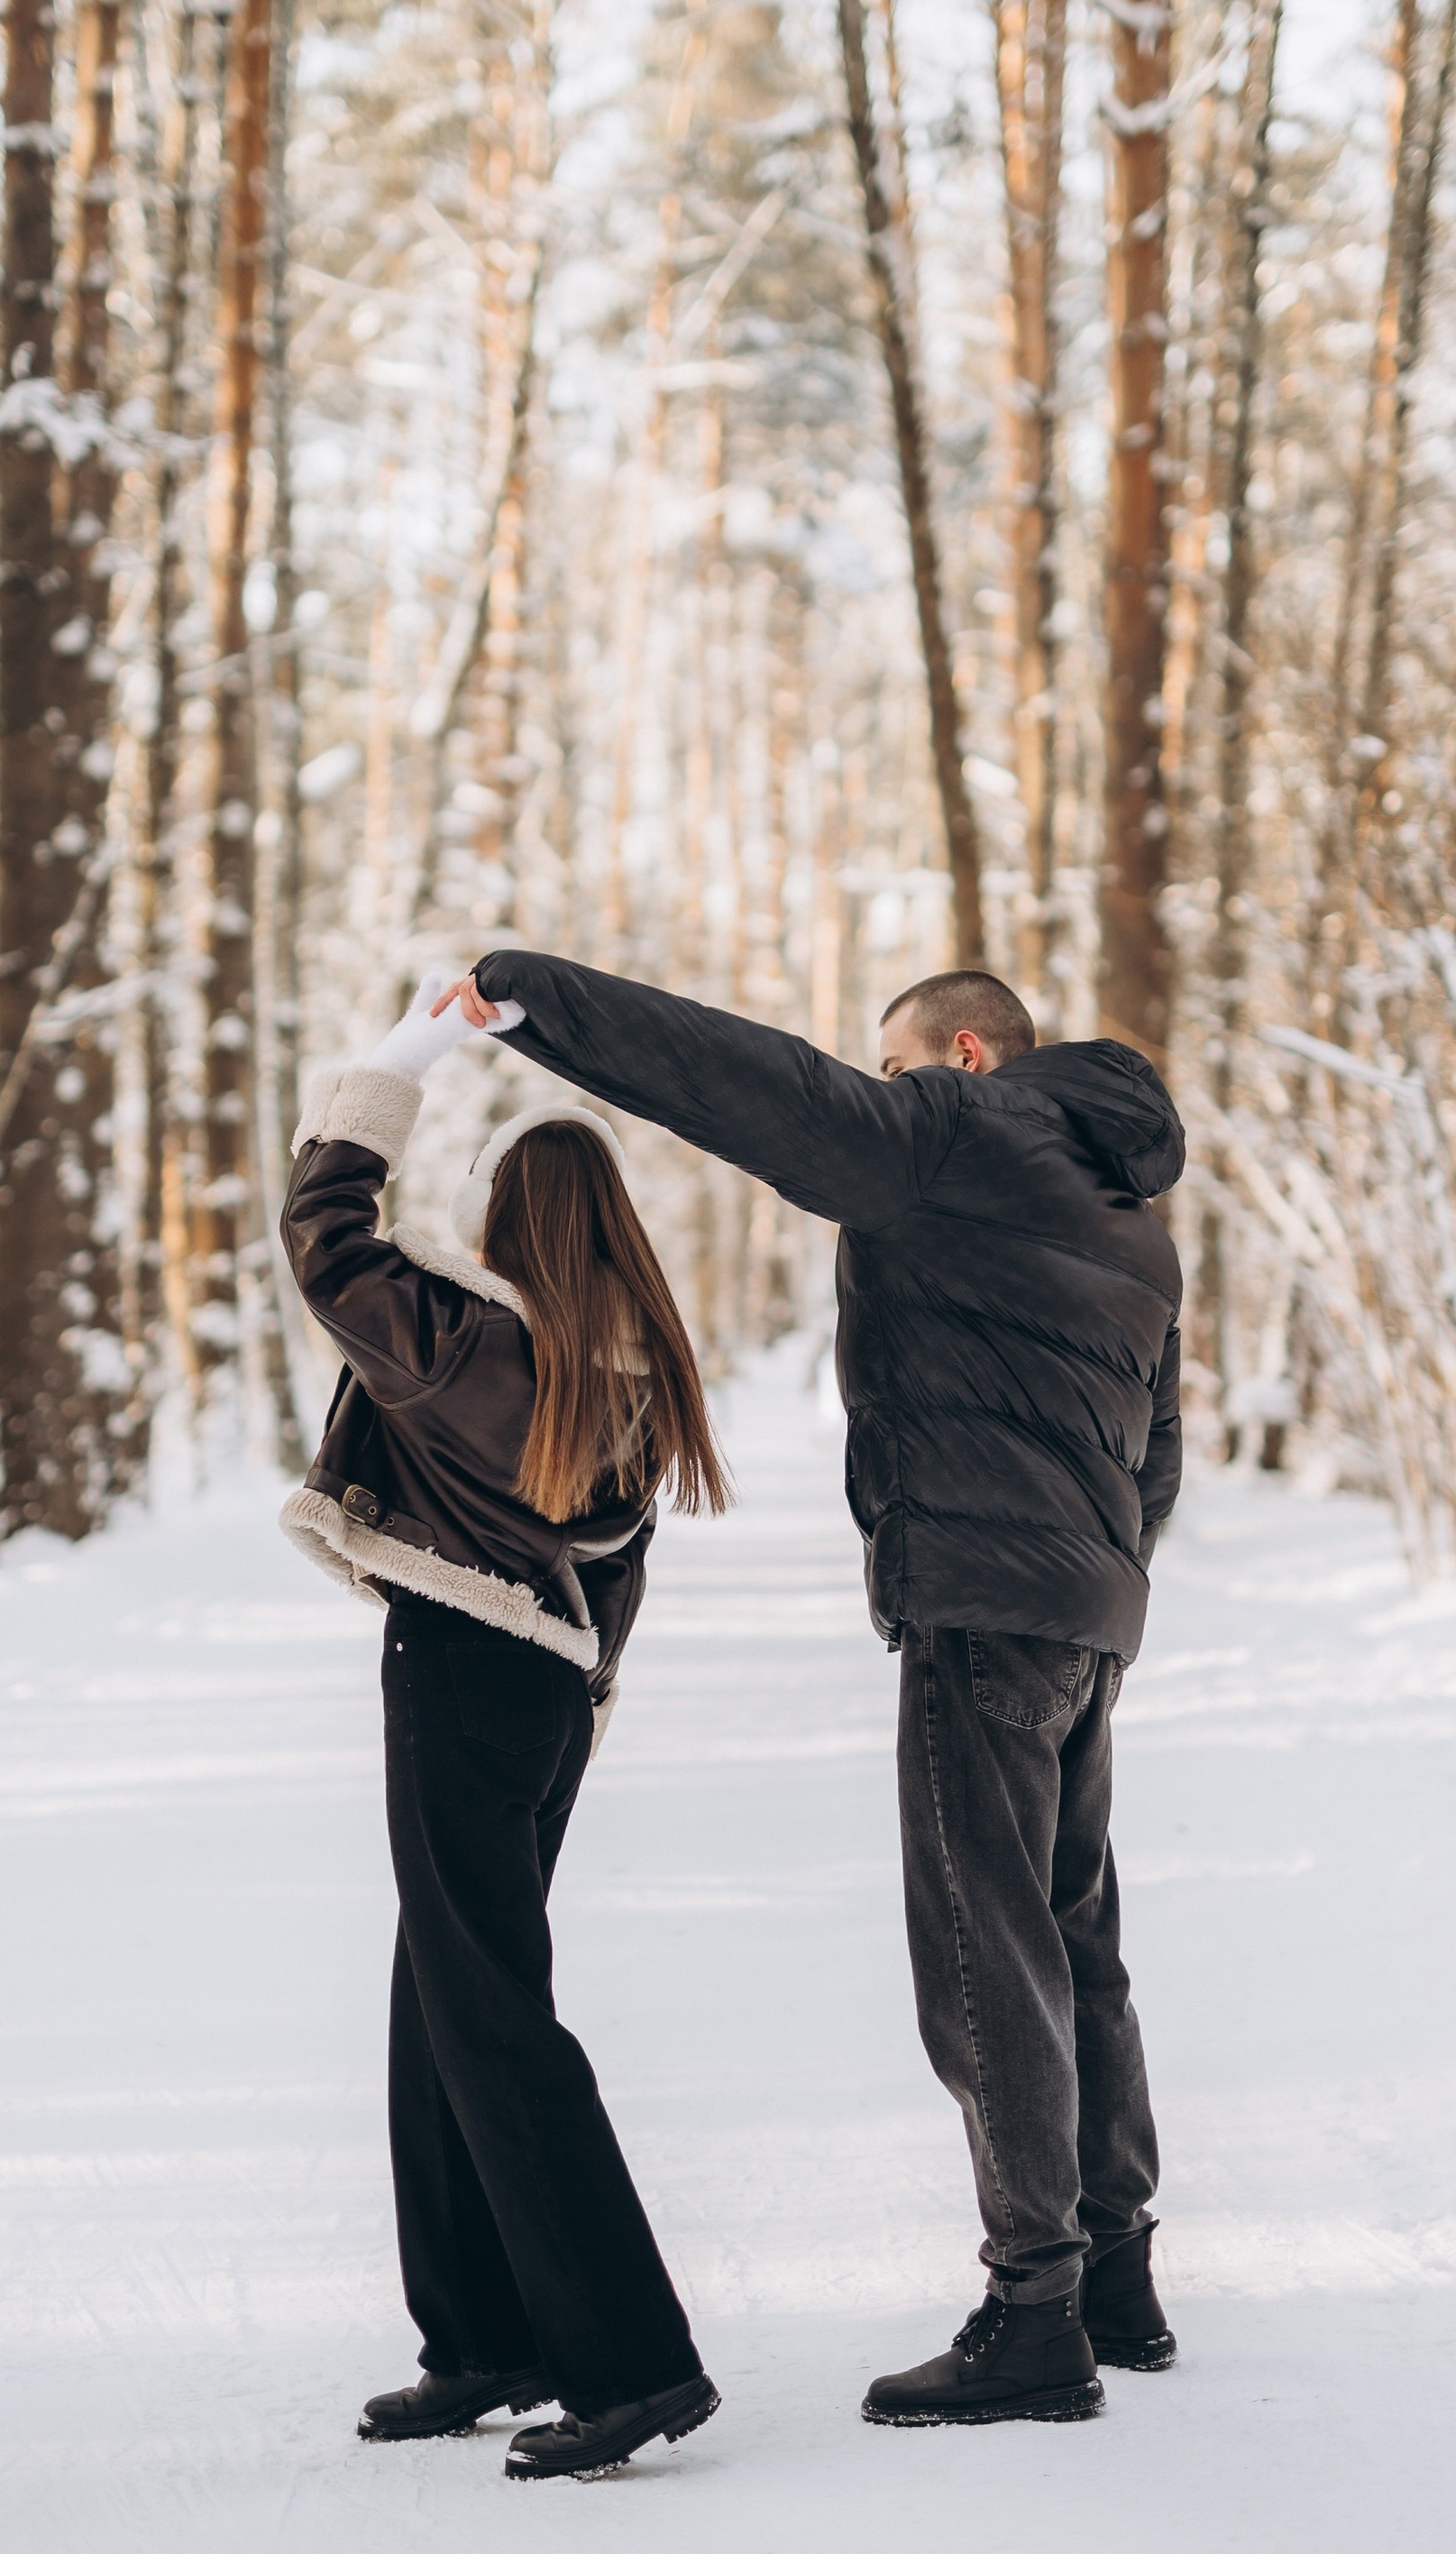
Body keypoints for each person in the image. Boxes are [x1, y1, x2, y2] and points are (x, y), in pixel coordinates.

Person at [438, 951, 1184, 2430]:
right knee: (1071, 1932)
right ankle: (1115, 2277)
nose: (879, 1092)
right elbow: (1158, 1444)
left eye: (896, 1068)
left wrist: (539, 1001)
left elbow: (759, 1087)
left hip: (980, 1599)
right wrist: (1096, 1571)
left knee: (982, 1955)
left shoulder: (960, 1137)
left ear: (965, 1060)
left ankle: (1034, 2309)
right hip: (1087, 1608)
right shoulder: (1128, 1211)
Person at [280, 984, 729, 2480]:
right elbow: (622, 1572)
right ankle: (478, 2341)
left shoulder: (463, 1341)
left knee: (491, 2020)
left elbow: (324, 1228)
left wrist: (410, 1054)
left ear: (500, 1221)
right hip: (545, 1698)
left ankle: (630, 2364)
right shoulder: (633, 1373)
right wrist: (584, 1709)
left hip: (468, 1679)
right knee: (442, 1999)